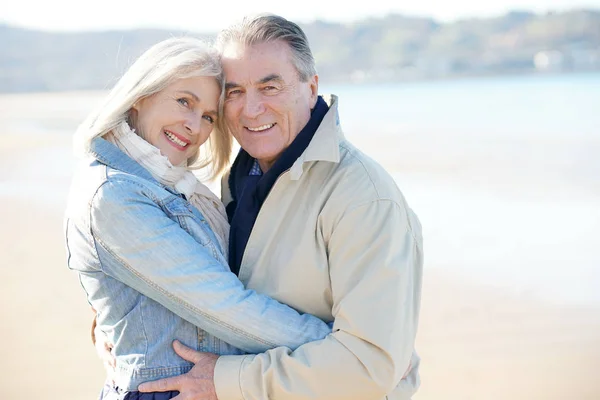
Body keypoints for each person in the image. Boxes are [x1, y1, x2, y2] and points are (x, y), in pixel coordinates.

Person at [139, 14, 424, 400]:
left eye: (269, 86)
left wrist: (226, 381)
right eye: (234, 91)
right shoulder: (237, 181)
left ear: (311, 88)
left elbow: (368, 367)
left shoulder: (364, 198)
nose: (251, 109)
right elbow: (220, 296)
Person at [64, 36, 336, 400]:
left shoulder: (171, 186)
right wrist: (340, 350)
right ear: (141, 95)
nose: (195, 126)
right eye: (184, 102)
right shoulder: (114, 196)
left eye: (208, 116)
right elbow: (224, 304)